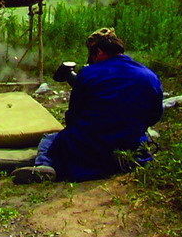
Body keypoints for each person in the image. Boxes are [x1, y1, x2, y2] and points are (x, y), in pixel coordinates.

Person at [12, 28, 163, 184]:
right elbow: (154, 116)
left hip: (90, 153)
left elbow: (73, 117)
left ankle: (43, 166)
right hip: (130, 152)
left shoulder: (88, 74)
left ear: (99, 52)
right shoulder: (150, 76)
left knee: (50, 139)